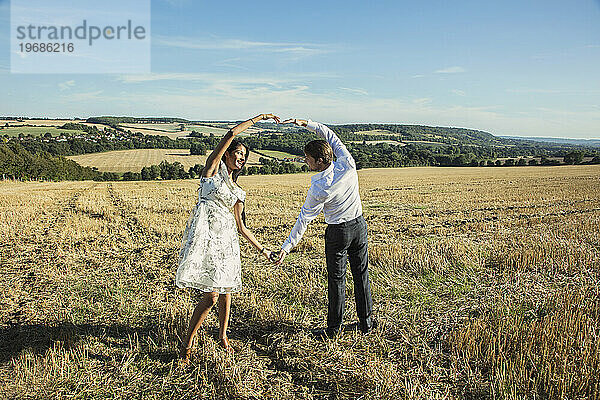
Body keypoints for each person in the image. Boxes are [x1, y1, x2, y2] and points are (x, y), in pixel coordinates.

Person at [176, 113, 279, 361]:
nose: (242, 158)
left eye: (245, 156)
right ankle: (187, 344)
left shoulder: (238, 191)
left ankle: (222, 335)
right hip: (206, 238)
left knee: (226, 292)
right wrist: (259, 118)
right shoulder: (211, 171)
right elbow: (231, 133)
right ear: (227, 153)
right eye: (238, 153)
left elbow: (242, 227)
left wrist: (264, 251)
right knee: (211, 296)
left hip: (227, 243)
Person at [273, 118, 375, 339]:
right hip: (359, 226)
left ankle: (334, 329)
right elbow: (330, 135)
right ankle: (366, 322)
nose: (305, 162)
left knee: (337, 280)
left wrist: (286, 247)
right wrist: (307, 123)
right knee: (361, 274)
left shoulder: (320, 187)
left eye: (308, 159)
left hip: (338, 233)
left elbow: (304, 219)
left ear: (319, 161)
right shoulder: (347, 162)